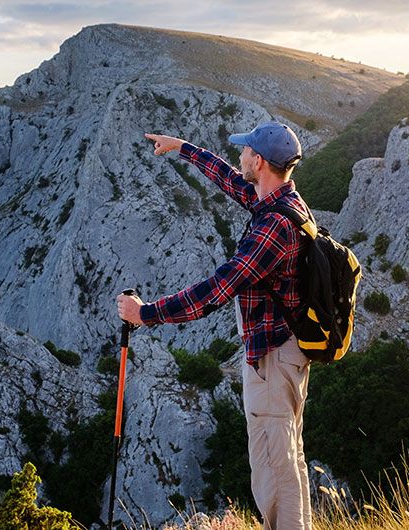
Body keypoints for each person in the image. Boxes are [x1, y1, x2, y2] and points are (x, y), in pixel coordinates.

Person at [117, 121, 314, 529]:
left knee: (276, 469)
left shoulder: (274, 226)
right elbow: (231, 181)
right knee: (285, 459)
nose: (239, 155)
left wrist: (146, 313)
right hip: (279, 356)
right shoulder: (278, 202)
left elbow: (216, 290)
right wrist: (183, 148)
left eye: (245, 150)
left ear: (258, 161)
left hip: (274, 362)